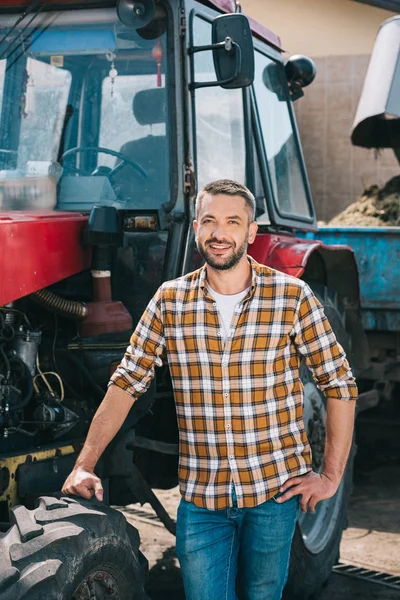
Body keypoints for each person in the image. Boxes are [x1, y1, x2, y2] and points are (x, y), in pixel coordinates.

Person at [62, 179, 358, 600]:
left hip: (273, 494)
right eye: (210, 221)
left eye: (233, 222)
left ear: (251, 232)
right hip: (203, 499)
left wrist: (329, 477)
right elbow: (127, 383)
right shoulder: (170, 300)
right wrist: (84, 464)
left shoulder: (292, 297)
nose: (220, 233)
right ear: (197, 226)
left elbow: (339, 383)